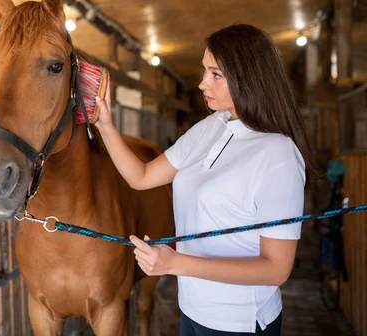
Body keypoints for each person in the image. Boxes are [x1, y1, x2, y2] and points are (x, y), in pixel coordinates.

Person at [93, 24, 318, 335]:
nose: (201, 83)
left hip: (238, 321)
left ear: (247, 78)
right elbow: (141, 177)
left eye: (215, 74)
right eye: (204, 71)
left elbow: (276, 268)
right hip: (193, 307)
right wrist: (105, 124)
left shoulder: (277, 154)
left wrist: (174, 265)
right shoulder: (211, 127)